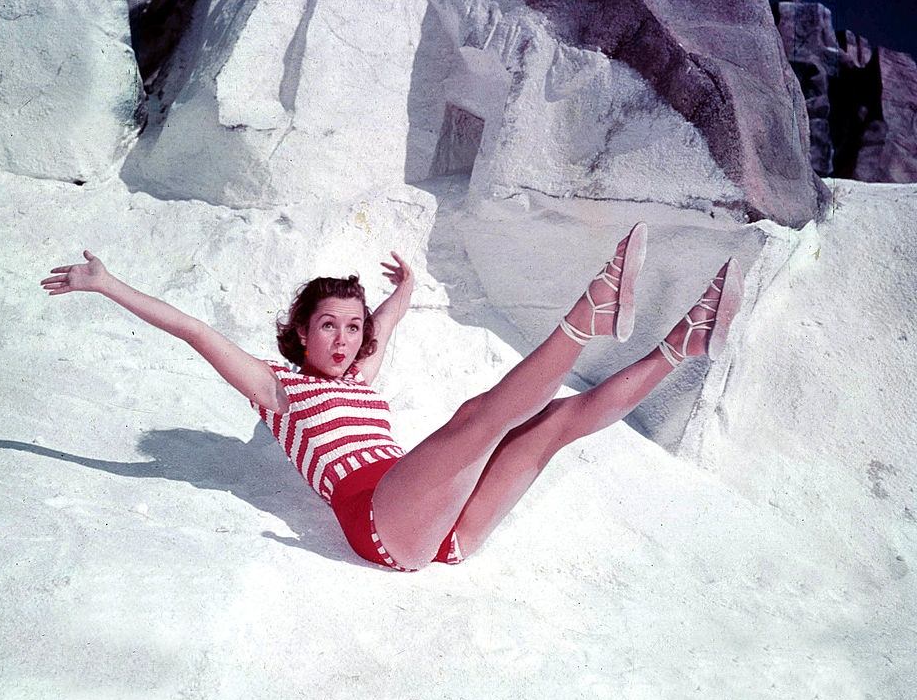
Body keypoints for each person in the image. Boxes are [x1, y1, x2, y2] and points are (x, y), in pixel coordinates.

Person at [40, 223, 743, 571]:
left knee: (554, 422)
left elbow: (388, 320)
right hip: (380, 524)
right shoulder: (276, 391)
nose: (346, 339)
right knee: (478, 418)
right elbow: (193, 329)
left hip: (441, 525)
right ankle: (590, 310)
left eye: (354, 326)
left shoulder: (361, 378)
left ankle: (687, 339)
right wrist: (106, 283)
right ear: (300, 334)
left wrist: (402, 289)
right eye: (329, 326)